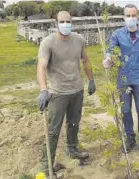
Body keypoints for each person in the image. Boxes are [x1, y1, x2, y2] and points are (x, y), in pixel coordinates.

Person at [37, 11, 96, 177]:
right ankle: (46, 165)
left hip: (77, 89)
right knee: (53, 130)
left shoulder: (79, 40)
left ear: (72, 22)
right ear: (55, 23)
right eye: (61, 21)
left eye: (68, 21)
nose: (65, 24)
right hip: (57, 92)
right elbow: (41, 66)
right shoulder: (48, 43)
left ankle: (73, 149)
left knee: (74, 123)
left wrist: (91, 80)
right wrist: (43, 89)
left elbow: (85, 60)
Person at [103, 4, 139, 158]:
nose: (131, 18)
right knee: (125, 111)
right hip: (123, 79)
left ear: (137, 16)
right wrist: (107, 60)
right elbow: (111, 52)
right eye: (128, 15)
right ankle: (130, 138)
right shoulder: (117, 35)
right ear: (123, 17)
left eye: (133, 15)